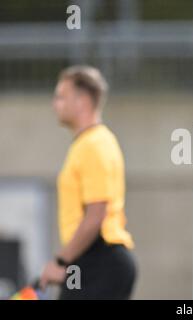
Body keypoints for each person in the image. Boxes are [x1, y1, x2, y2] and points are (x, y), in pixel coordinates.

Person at [39, 66, 136, 299]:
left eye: (61, 96)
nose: (55, 104)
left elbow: (95, 216)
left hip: (100, 260)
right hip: (93, 261)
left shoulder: (94, 144)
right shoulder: (89, 143)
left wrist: (61, 260)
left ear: (82, 101)